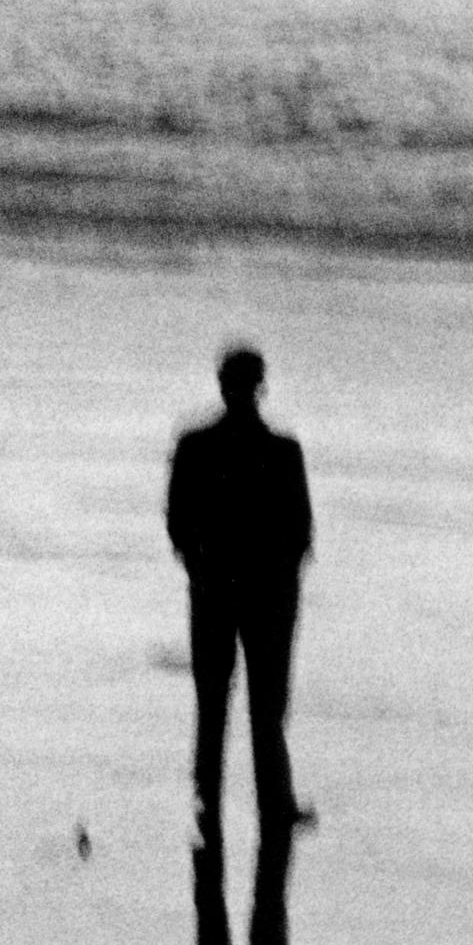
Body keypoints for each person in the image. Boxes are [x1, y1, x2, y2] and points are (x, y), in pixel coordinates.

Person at [168, 342, 312, 834]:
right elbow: (299, 536)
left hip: (213, 591)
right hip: (267, 596)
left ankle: (208, 804)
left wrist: (200, 570)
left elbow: (177, 526)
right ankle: (275, 805)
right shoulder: (283, 453)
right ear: (260, 387)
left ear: (222, 385)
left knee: (213, 706)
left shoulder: (194, 447)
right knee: (267, 708)